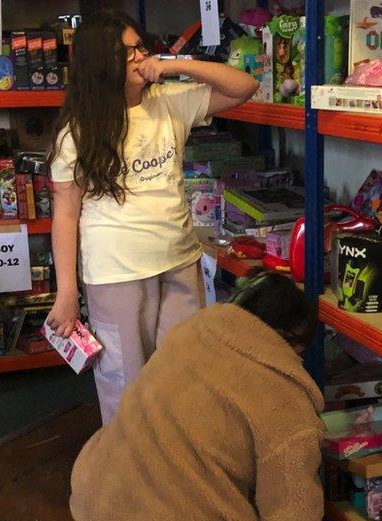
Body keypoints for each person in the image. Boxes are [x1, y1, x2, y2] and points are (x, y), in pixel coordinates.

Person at [45, 11, 259, 423]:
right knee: (126, 387)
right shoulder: (77, 132)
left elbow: (244, 86)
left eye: (140, 46)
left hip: (180, 264)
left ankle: (176, 470)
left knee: (183, 379)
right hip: (116, 274)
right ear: (100, 64)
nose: (140, 56)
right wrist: (66, 292)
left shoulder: (171, 102)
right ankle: (130, 478)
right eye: (128, 52)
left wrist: (172, 64)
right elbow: (66, 214)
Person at [70, 270, 325, 521]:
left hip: (94, 505)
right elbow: (292, 517)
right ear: (295, 341)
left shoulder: (188, 332)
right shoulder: (285, 400)